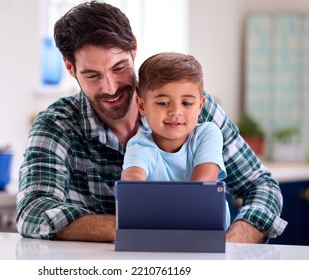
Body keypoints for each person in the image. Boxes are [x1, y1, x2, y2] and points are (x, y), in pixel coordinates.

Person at [16, 1, 286, 243]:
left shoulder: (195, 111)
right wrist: (132, 227)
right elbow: (33, 211)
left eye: (118, 68)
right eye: (92, 75)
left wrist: (231, 243)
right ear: (69, 67)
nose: (110, 87)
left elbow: (261, 186)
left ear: (133, 47)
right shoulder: (57, 124)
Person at [121, 52, 231, 229]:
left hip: (205, 234)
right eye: (163, 103)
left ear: (200, 105)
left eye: (186, 103)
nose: (175, 112)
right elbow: (132, 187)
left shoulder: (208, 134)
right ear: (142, 106)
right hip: (159, 237)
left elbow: (201, 187)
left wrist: (151, 206)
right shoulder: (139, 145)